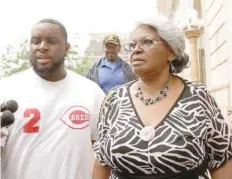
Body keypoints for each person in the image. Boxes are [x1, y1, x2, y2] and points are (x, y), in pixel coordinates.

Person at [92, 15, 232, 179]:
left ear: (171, 52)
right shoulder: (114, 99)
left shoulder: (199, 97)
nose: (136, 49)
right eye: (132, 45)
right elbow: (101, 162)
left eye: (147, 42)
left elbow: (221, 160)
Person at [0, 19, 105, 179]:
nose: (42, 46)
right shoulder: (7, 89)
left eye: (52, 41)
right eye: (36, 41)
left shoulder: (91, 92)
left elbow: (102, 154)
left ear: (66, 48)